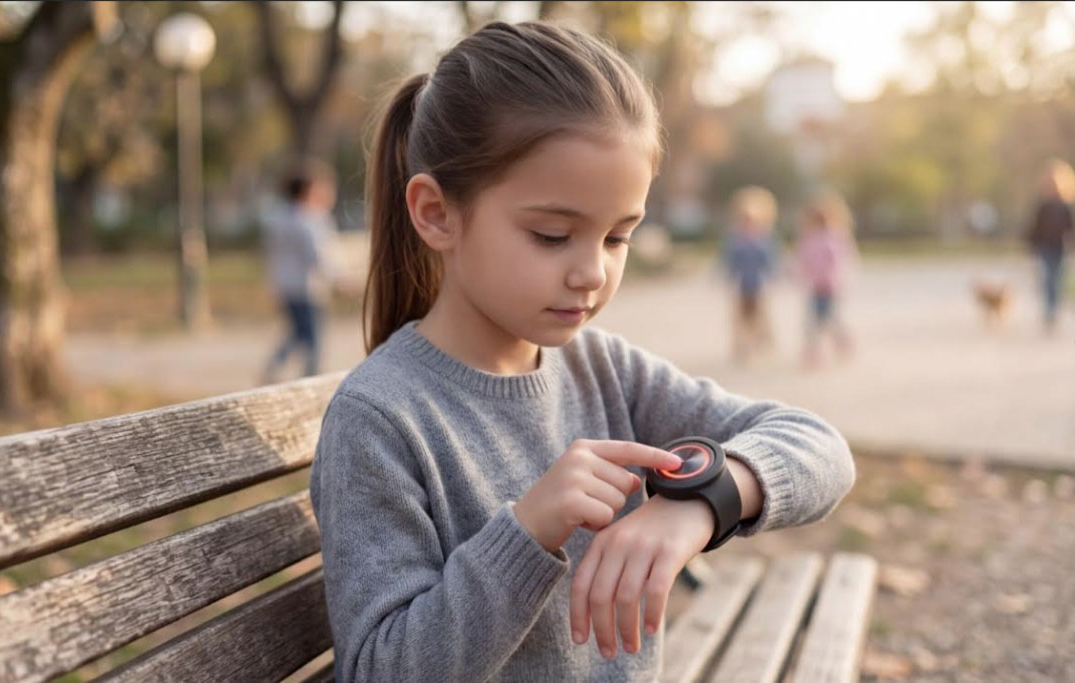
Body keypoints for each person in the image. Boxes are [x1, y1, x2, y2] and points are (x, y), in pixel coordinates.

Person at [309, 21, 855, 682]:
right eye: (551, 234)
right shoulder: (380, 416)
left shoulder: (604, 369)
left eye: (618, 237)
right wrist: (526, 533)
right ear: (434, 213)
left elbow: (819, 446)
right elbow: (380, 670)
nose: (592, 271)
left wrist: (700, 501)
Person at [260, 158, 342, 383]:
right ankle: (311, 381)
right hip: (309, 288)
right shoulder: (310, 220)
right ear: (310, 190)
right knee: (312, 340)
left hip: (286, 286)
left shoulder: (278, 218)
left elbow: (272, 255)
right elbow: (319, 258)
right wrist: (339, 280)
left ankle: (273, 369)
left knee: (297, 333)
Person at [795, 191, 859, 368]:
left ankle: (842, 342)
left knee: (832, 319)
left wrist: (837, 279)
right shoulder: (808, 238)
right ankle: (813, 352)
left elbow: (842, 260)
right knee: (812, 322)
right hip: (815, 286)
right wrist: (800, 274)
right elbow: (802, 259)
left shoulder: (837, 237)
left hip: (830, 287)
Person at [721, 186, 780, 363]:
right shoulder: (735, 238)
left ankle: (761, 339)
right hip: (741, 285)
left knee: (760, 316)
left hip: (758, 284)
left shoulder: (764, 238)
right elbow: (729, 260)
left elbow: (771, 260)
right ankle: (741, 346)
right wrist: (727, 276)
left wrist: (775, 275)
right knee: (740, 318)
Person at [1026, 159, 1074, 334]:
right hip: (1044, 247)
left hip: (1060, 247)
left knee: (1057, 279)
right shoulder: (1043, 204)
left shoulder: (1065, 205)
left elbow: (1070, 227)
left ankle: (1054, 308)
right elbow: (1034, 227)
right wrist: (1031, 246)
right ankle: (1049, 311)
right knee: (1047, 279)